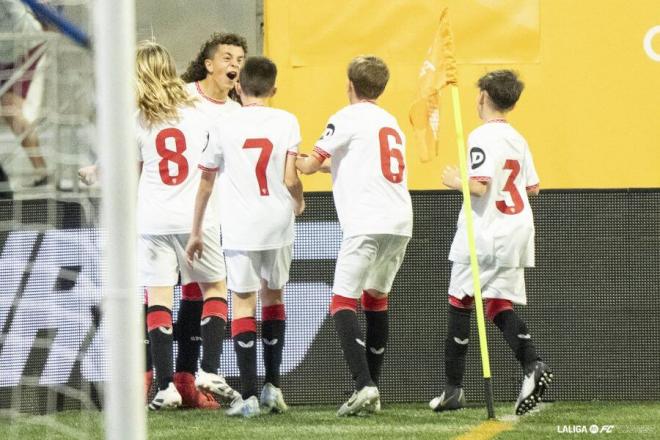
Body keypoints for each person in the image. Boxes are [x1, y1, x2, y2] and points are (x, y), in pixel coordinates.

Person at [186, 55, 304, 418]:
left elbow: (206, 181)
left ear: (239, 86)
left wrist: (196, 231)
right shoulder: (287, 120)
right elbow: (289, 178)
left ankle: (249, 395)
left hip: (240, 225)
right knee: (274, 298)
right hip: (278, 220)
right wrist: (298, 201)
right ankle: (273, 387)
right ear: (274, 89)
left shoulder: (225, 123)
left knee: (243, 304)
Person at [296, 55, 413, 416]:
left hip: (365, 220)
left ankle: (363, 385)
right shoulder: (390, 122)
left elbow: (312, 162)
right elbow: (360, 161)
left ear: (349, 84)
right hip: (399, 221)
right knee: (376, 299)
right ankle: (373, 388)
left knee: (342, 302)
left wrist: (293, 161)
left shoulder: (345, 117)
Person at [431, 70, 553, 416]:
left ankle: (453, 389)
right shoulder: (518, 138)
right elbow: (533, 188)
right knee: (499, 303)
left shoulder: (481, 136)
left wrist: (457, 181)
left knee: (460, 299)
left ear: (483, 96)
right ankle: (533, 365)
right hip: (517, 227)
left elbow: (480, 186)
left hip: (487, 230)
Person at [133, 41, 239, 410]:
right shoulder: (196, 111)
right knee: (215, 288)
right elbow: (212, 163)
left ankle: (165, 387)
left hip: (152, 217)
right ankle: (208, 369)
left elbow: (134, 172)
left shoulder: (136, 116)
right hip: (195, 216)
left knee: (159, 298)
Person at [168, 31, 247, 409]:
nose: (235, 65)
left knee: (193, 292)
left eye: (240, 60)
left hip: (214, 212)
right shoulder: (181, 97)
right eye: (227, 57)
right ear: (208, 63)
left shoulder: (238, 114)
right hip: (173, 207)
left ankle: (184, 382)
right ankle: (196, 375)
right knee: (197, 289)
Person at [1, 0, 50, 197]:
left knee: (11, 108)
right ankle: (42, 173)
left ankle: (42, 173)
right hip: (9, 49)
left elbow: (20, 17)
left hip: (24, 46)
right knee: (10, 111)